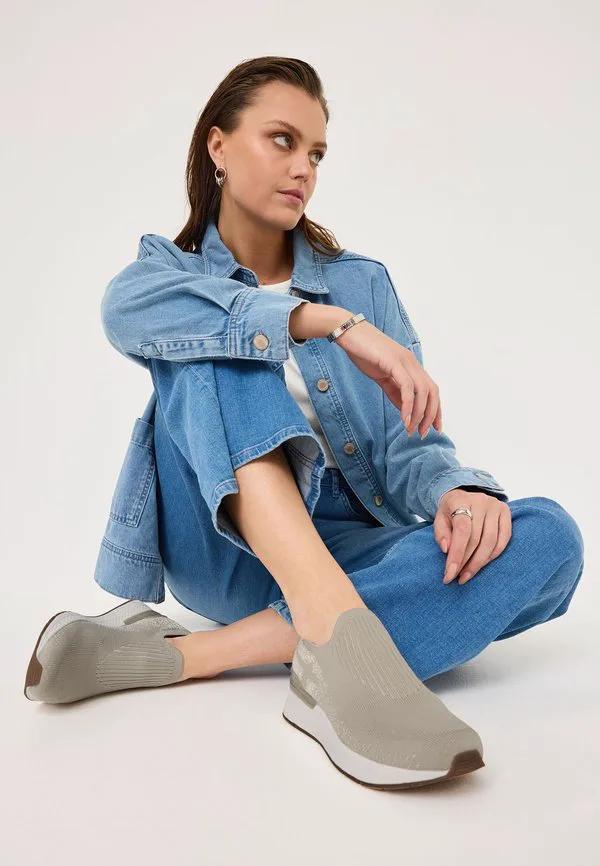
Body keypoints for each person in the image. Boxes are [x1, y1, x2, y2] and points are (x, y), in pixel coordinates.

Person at [24, 57, 585, 790]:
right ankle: (338, 647)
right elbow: (121, 312)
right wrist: (323, 323)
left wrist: (455, 492)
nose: (303, 169)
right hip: (223, 546)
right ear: (219, 146)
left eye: (316, 153)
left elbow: (406, 442)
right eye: (282, 140)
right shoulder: (171, 276)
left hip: (345, 537)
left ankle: (200, 654)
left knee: (547, 536)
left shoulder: (361, 281)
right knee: (228, 345)